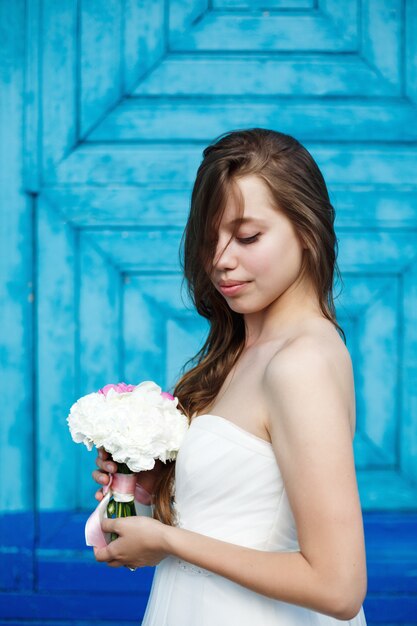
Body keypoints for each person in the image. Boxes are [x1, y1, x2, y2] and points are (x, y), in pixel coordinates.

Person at [92, 128, 368, 625]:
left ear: (306, 230)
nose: (220, 261)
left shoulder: (299, 362)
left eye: (247, 237)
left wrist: (166, 540)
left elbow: (339, 585)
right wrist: (162, 485)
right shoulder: (247, 350)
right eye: (209, 238)